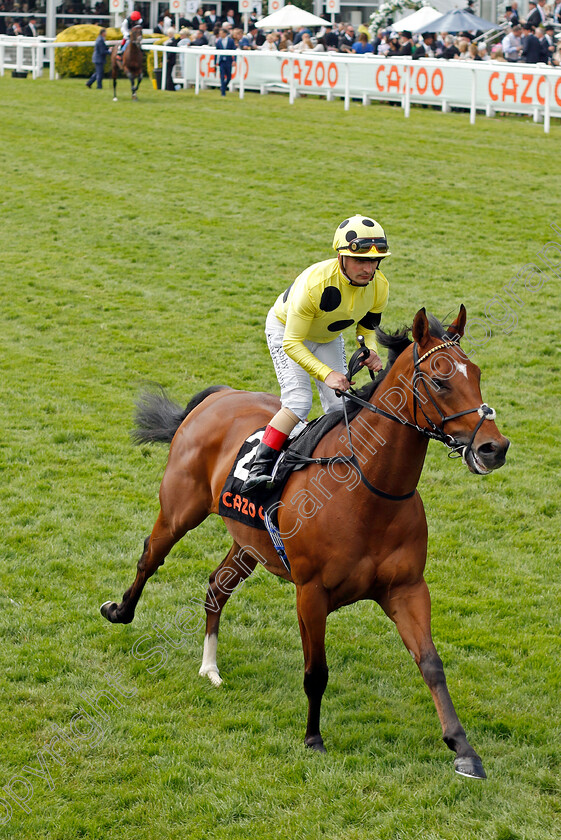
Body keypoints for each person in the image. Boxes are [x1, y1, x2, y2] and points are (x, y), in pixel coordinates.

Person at [241, 215, 390, 492]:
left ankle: (337, 465)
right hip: (287, 331)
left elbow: (367, 328)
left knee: (340, 406)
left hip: (327, 337)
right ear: (341, 257)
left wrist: (370, 349)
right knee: (298, 402)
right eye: (360, 260)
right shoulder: (314, 284)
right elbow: (293, 344)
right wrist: (327, 373)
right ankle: (258, 468)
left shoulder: (380, 286)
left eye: (374, 261)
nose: (368, 269)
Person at [215, 26, 235, 95]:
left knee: (229, 77)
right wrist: (215, 62)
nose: (220, 34)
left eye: (221, 33)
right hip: (222, 61)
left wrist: (234, 60)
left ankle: (223, 87)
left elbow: (234, 51)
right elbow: (216, 52)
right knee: (222, 76)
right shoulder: (218, 41)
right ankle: (223, 92)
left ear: (225, 33)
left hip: (228, 61)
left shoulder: (231, 41)